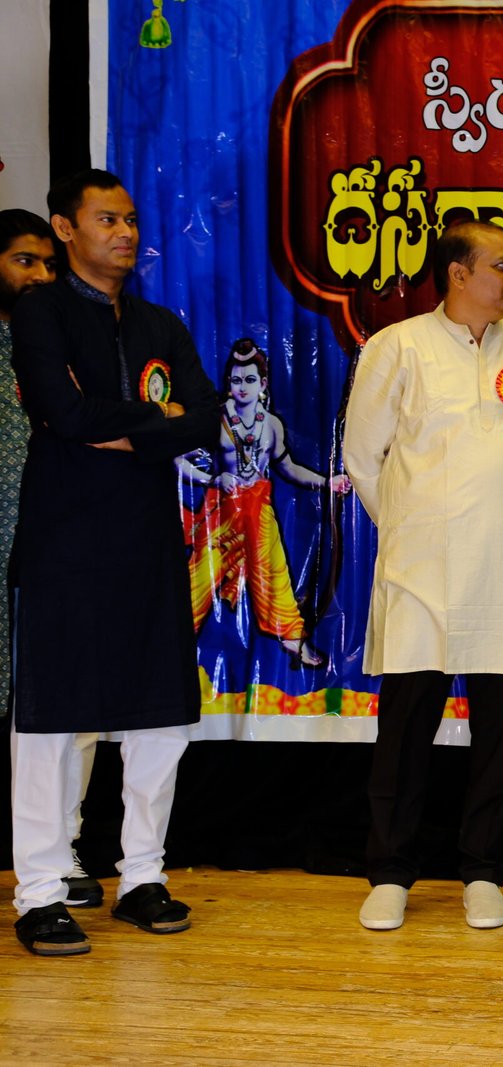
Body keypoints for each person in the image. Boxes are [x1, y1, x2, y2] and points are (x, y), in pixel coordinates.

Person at [343, 220, 503, 932]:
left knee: (501, 735)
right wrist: (416, 526)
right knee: (405, 730)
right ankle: (390, 872)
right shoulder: (398, 346)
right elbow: (363, 457)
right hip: (423, 573)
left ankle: (483, 869)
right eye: (501, 265)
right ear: (458, 273)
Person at [9, 170, 217, 955]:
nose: (125, 232)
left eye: (130, 219)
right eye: (107, 219)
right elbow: (62, 413)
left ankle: (142, 876)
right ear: (65, 229)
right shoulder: (43, 310)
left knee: (161, 713)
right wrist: (156, 418)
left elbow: (205, 419)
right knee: (51, 719)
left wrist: (130, 427)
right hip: (65, 541)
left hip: (145, 540)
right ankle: (40, 889)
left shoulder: (160, 322)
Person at [0, 209, 100, 911]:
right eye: (22, 261)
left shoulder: (75, 343)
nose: (39, 275)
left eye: (48, 264)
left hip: (60, 547)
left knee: (68, 704)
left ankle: (61, 847)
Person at [180, 338, 351, 667]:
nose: (241, 387)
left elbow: (288, 468)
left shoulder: (271, 425)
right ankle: (173, 645)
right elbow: (178, 459)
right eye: (235, 380)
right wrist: (212, 479)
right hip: (222, 512)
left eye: (249, 379)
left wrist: (326, 482)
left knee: (274, 574)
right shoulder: (214, 419)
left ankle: (292, 638)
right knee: (198, 577)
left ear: (262, 383)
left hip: (259, 509)